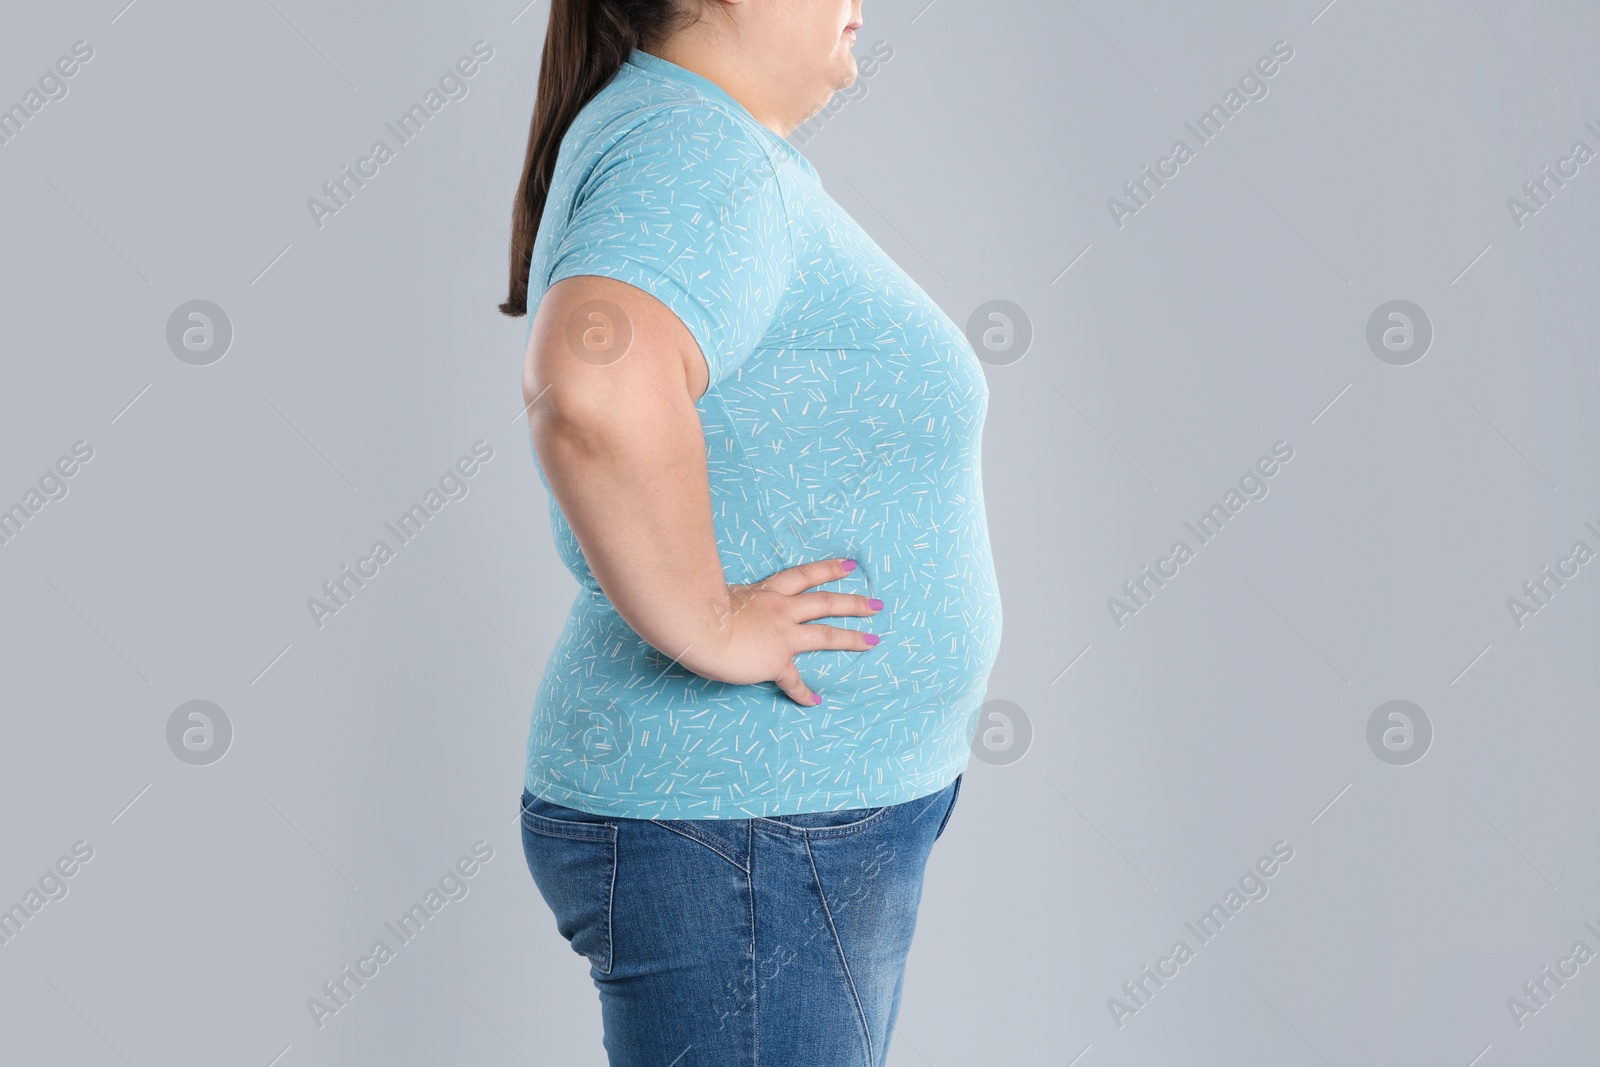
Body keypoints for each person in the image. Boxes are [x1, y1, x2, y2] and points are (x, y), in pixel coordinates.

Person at [498, 1, 1002, 1063]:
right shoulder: (692, 151)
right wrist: (709, 622)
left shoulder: (690, 138)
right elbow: (593, 379)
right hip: (747, 835)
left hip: (768, 834)